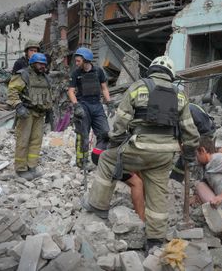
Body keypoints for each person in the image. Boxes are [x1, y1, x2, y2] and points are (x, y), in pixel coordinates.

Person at [82, 55, 200, 252]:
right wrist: (189, 152)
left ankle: (98, 205)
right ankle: (155, 240)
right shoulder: (180, 95)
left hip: (138, 149)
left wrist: (114, 140)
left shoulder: (138, 87)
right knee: (157, 194)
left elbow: (121, 121)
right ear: (171, 74)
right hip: (164, 155)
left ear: (152, 70)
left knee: (106, 159)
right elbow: (190, 130)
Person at [7, 53, 52, 180]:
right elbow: (12, 91)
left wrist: (49, 112)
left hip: (40, 113)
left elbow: (48, 95)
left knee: (36, 140)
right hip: (27, 112)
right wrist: (18, 106)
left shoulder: (45, 78)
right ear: (32, 63)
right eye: (40, 64)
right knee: (23, 140)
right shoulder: (23, 75)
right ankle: (21, 169)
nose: (42, 66)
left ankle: (32, 166)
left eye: (44, 64)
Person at [67, 47, 113, 169]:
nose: (76, 63)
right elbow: (71, 91)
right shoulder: (76, 73)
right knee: (83, 135)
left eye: (78, 61)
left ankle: (100, 159)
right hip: (83, 105)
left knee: (105, 133)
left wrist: (110, 103)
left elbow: (104, 88)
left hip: (97, 105)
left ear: (86, 60)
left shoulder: (98, 71)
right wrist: (76, 106)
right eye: (76, 61)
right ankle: (82, 161)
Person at [91, 138, 145, 221]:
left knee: (135, 172)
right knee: (137, 183)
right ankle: (141, 220)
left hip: (98, 150)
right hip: (107, 154)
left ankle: (142, 203)